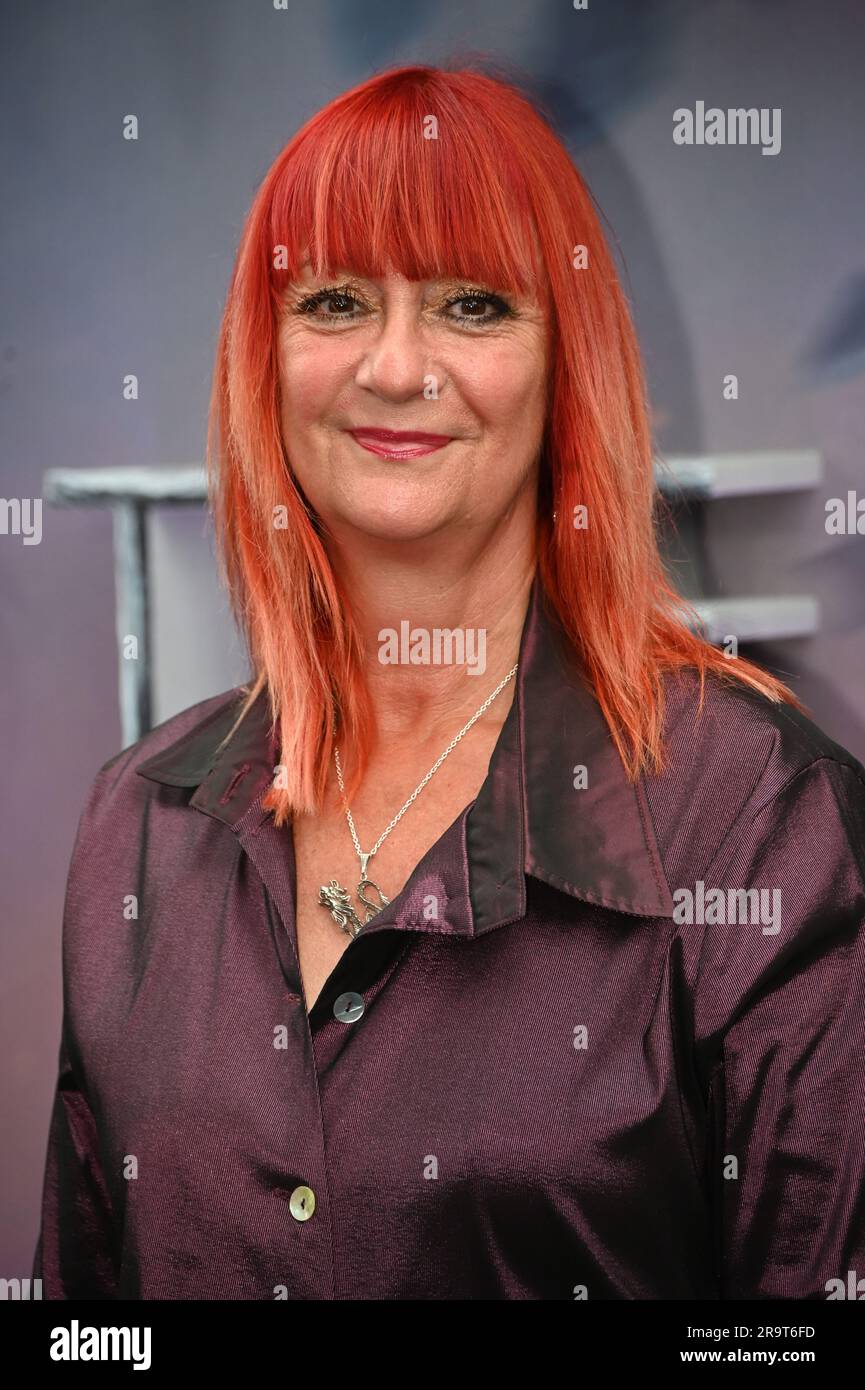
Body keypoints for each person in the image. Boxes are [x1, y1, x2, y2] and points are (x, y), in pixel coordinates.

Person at [33, 63, 865, 1300]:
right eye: (333, 300)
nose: (396, 364)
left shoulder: (756, 818)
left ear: (563, 362)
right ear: (265, 359)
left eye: (473, 304)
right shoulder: (135, 823)